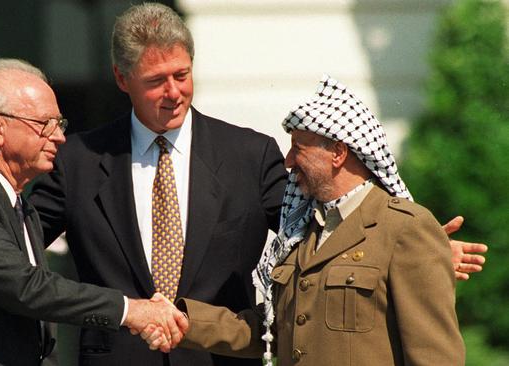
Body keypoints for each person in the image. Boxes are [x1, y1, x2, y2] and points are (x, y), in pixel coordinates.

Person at [27, 3, 482, 366]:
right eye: (155, 81)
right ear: (121, 79)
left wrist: (410, 247)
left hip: (220, 357)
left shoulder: (250, 154)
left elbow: (316, 229)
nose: (173, 92)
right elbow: (18, 253)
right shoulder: (78, 162)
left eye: (182, 75)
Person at [0, 58, 186, 366]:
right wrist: (130, 311)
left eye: (60, 124)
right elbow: (25, 288)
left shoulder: (21, 207)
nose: (59, 136)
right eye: (45, 124)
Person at [152, 75, 465, 365]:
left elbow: (434, 356)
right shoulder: (303, 232)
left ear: (338, 153)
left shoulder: (405, 229)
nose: (288, 162)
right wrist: (184, 322)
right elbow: (270, 329)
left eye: (298, 150)